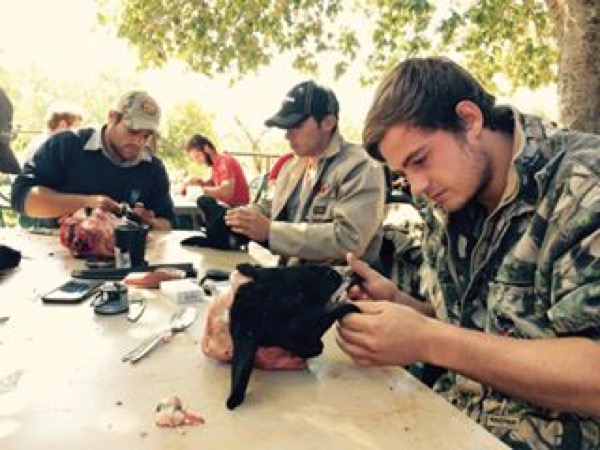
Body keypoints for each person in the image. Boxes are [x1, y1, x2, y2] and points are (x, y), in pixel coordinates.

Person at [336, 57, 600, 449]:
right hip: (443, 423)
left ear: (470, 119)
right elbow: (473, 330)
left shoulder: (584, 186)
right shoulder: (450, 199)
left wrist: (427, 339)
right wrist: (405, 308)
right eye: (403, 174)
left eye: (420, 160)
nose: (417, 186)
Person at [225, 80, 386, 266]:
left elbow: (350, 240)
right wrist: (236, 219)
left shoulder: (360, 167)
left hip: (344, 286)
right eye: (285, 127)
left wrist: (271, 232)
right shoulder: (291, 167)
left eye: (296, 125)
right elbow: (269, 207)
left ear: (328, 123)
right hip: (292, 277)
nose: (287, 135)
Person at [11, 91, 174, 230]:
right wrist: (86, 203)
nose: (139, 142)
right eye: (132, 131)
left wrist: (149, 222)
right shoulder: (66, 145)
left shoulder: (153, 168)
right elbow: (21, 198)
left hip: (128, 260)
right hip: (59, 254)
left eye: (146, 136)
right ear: (111, 117)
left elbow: (168, 224)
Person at [181, 134, 250, 207]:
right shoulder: (216, 164)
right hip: (226, 207)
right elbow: (213, 186)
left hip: (235, 209)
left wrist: (198, 190)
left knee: (184, 215)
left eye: (197, 156)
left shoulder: (225, 161)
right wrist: (197, 183)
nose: (197, 162)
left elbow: (226, 192)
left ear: (206, 149)